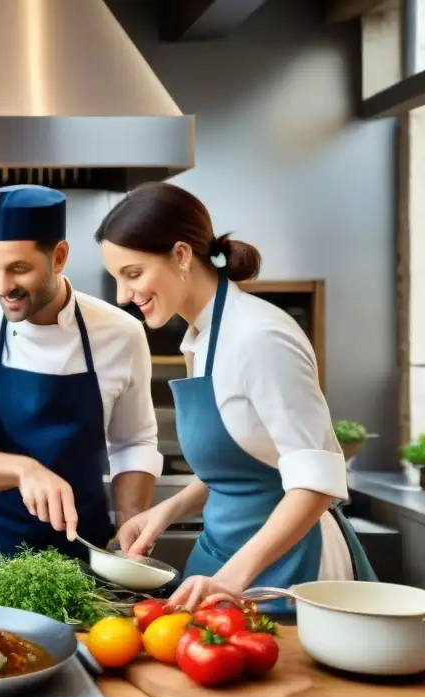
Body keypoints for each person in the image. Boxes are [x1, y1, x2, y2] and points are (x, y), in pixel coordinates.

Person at [95, 181, 377, 613]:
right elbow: (238, 467)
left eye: (132, 274)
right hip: (223, 558)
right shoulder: (200, 339)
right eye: (117, 278)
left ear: (182, 255)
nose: (122, 296)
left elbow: (316, 483)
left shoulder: (261, 337)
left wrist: (233, 577)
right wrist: (166, 511)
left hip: (288, 571)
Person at [0, 184, 163, 581]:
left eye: (19, 268)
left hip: (83, 549)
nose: (3, 286)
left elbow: (134, 442)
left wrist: (131, 523)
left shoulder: (121, 334)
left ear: (59, 257)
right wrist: (26, 470)